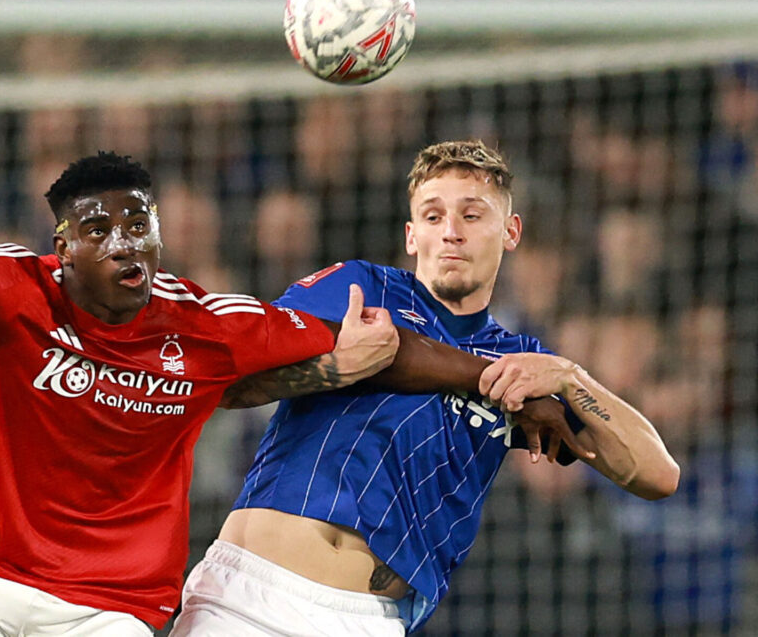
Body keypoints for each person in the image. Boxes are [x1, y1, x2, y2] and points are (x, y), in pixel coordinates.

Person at [0, 129, 579, 636]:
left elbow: (386, 348)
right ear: (62, 247)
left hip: (107, 609)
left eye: (140, 225)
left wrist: (501, 379)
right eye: (99, 229)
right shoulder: (8, 285)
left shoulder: (203, 322)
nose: (125, 242)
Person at [173, 141, 680, 636]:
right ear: (412, 236)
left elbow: (658, 475)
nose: (451, 233)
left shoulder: (523, 364)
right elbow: (234, 385)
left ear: (511, 231)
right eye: (434, 217)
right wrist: (339, 366)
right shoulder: (360, 288)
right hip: (251, 596)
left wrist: (573, 377)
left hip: (372, 621)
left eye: (472, 216)